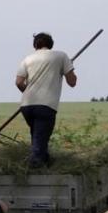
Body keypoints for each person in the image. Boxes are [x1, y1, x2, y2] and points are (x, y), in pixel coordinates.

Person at [15, 32, 77, 167]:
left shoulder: (27, 59)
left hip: (26, 105)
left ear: (35, 45)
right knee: (40, 139)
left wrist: (29, 92)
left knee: (38, 137)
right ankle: (35, 167)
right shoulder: (61, 56)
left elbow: (19, 82)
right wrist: (69, 67)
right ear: (50, 44)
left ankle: (46, 162)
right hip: (46, 105)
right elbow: (72, 82)